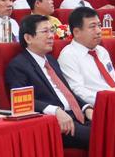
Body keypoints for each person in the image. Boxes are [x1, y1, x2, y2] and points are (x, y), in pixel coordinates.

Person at [6, 15, 91, 143]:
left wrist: (86, 107)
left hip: (76, 115)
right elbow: (21, 100)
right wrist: (55, 111)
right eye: (45, 31)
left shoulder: (51, 60)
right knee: (103, 136)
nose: (51, 36)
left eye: (52, 31)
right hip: (54, 122)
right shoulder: (18, 65)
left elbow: (67, 92)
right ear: (28, 38)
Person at [57, 6, 115, 113]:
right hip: (98, 107)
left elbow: (114, 83)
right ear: (76, 32)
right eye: (92, 27)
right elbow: (78, 91)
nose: (98, 31)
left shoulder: (102, 51)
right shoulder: (68, 55)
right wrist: (111, 101)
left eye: (99, 26)